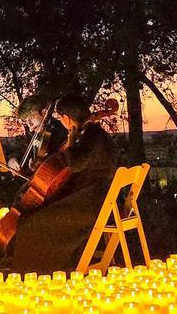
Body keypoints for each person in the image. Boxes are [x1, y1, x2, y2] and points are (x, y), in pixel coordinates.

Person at [7, 94, 121, 274]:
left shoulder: (92, 136)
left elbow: (75, 164)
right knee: (31, 219)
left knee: (32, 223)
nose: (59, 121)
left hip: (90, 204)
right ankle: (44, 269)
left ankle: (40, 272)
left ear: (67, 118)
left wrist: (70, 142)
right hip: (90, 197)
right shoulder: (92, 133)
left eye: (60, 117)